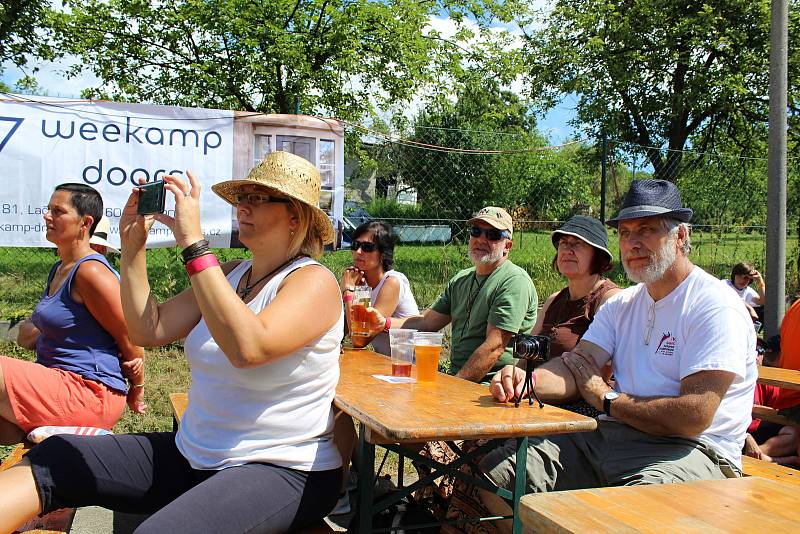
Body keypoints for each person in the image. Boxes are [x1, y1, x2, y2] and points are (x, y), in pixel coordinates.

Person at [0, 151, 343, 533]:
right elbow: (150, 329)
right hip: (194, 454)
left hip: (282, 469)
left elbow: (249, 348)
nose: (242, 206)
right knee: (55, 458)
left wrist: (193, 243)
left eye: (258, 198)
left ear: (295, 216)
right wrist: (132, 250)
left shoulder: (314, 282)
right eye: (241, 196)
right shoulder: (232, 273)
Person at [480, 179, 757, 533]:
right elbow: (576, 366)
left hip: (693, 452)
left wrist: (608, 400)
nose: (633, 243)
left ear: (681, 236)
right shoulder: (625, 304)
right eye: (625, 233)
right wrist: (524, 381)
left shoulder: (714, 305)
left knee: (627, 514)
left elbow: (694, 415)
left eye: (647, 230)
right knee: (496, 476)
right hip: (613, 436)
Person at [1, 184, 144, 446]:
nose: (47, 216)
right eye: (48, 209)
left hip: (91, 392)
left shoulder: (91, 273)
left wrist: (137, 390)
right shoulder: (59, 268)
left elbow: (132, 338)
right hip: (56, 381)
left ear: (85, 223)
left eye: (58, 211)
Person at [366, 206, 537, 383]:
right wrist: (384, 322)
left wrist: (453, 387)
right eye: (476, 232)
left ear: (507, 246)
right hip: (457, 380)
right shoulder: (461, 279)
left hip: (492, 387)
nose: (481, 239)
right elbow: (426, 323)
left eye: (492, 235)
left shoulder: (513, 281)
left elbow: (494, 347)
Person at [340, 221, 419, 355]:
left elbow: (359, 339)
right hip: (385, 363)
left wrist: (348, 291)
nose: (358, 252)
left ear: (383, 254)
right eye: (355, 245)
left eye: (367, 247)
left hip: (407, 366)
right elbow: (344, 330)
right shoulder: (362, 283)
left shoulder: (392, 282)